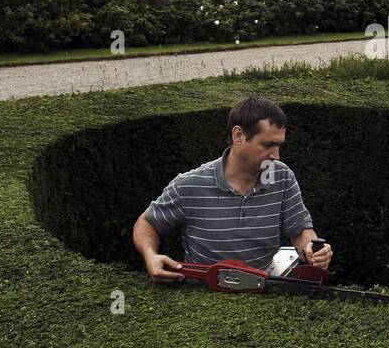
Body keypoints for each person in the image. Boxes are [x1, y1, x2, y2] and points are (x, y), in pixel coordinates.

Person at [133, 96, 332, 283]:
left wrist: (311, 249)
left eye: (279, 145)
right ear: (238, 135)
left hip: (261, 290)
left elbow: (299, 230)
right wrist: (151, 256)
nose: (276, 155)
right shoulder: (189, 185)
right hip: (202, 296)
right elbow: (147, 223)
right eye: (268, 145)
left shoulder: (282, 177)